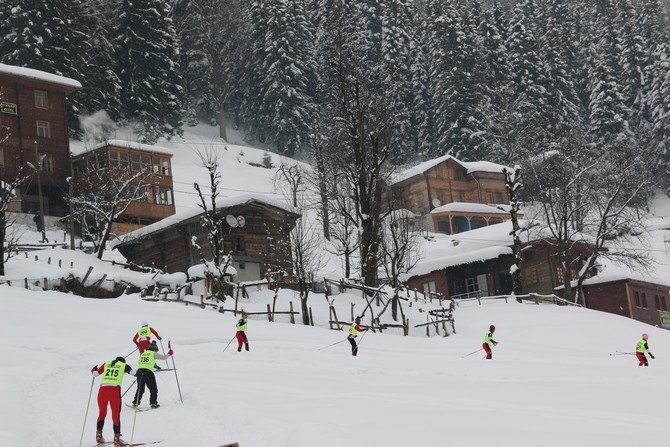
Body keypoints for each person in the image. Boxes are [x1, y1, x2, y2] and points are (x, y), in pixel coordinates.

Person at [91, 356, 137, 446]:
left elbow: (95, 374)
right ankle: (116, 439)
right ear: (122, 362)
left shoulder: (106, 364)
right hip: (114, 391)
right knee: (115, 415)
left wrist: (93, 369)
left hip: (102, 391)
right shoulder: (124, 365)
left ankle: (99, 435)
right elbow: (133, 373)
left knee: (102, 413)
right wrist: (141, 371)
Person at [132, 341, 173, 409]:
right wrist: (169, 353)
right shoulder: (153, 353)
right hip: (148, 372)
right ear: (154, 349)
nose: (156, 351)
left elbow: (139, 362)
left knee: (140, 389)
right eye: (156, 350)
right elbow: (163, 357)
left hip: (139, 371)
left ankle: (135, 403)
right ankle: (153, 403)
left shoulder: (143, 353)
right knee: (153, 389)